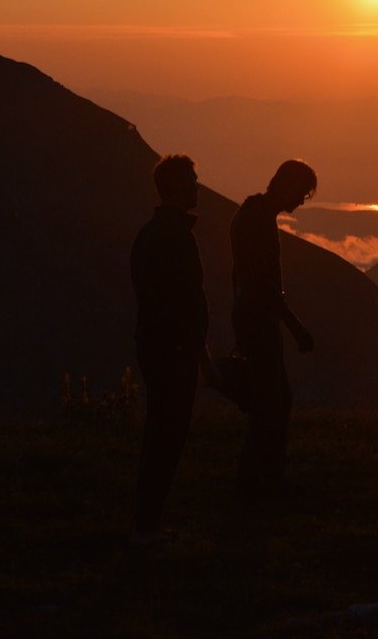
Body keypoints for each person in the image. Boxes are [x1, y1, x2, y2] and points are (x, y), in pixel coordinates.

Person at [129, 154, 216, 546]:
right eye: (194, 179)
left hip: (152, 346)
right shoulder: (179, 238)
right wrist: (202, 358)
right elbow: (189, 304)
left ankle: (145, 523)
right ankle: (148, 529)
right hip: (173, 351)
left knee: (157, 433)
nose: (199, 186)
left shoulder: (147, 235)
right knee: (169, 435)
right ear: (180, 187)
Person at [230, 159, 317, 503]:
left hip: (250, 317)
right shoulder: (259, 222)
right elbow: (264, 285)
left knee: (270, 399)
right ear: (288, 185)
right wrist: (296, 328)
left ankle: (258, 479)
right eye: (302, 192)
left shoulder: (252, 215)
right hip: (258, 319)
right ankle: (263, 482)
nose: (302, 201)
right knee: (274, 400)